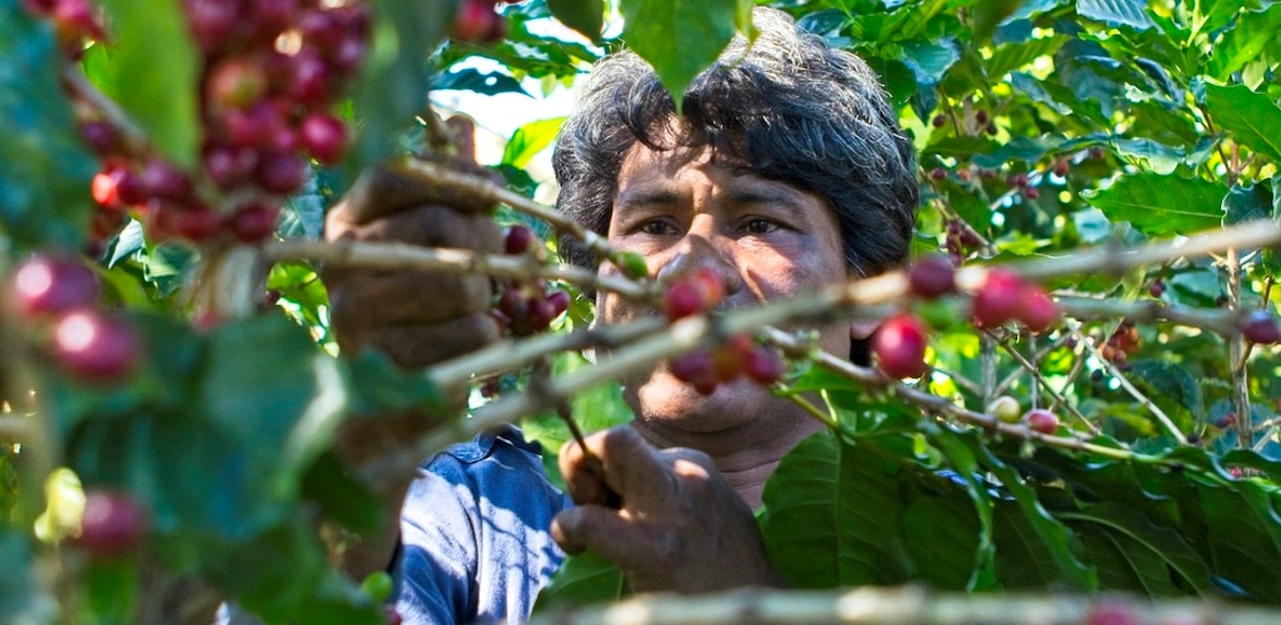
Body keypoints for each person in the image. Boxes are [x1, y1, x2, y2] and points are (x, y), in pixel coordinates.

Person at [324, 6, 919, 623]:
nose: (691, 273)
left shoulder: (956, 529)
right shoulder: (474, 512)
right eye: (654, 226)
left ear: (871, 294)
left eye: (759, 224)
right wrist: (374, 434)